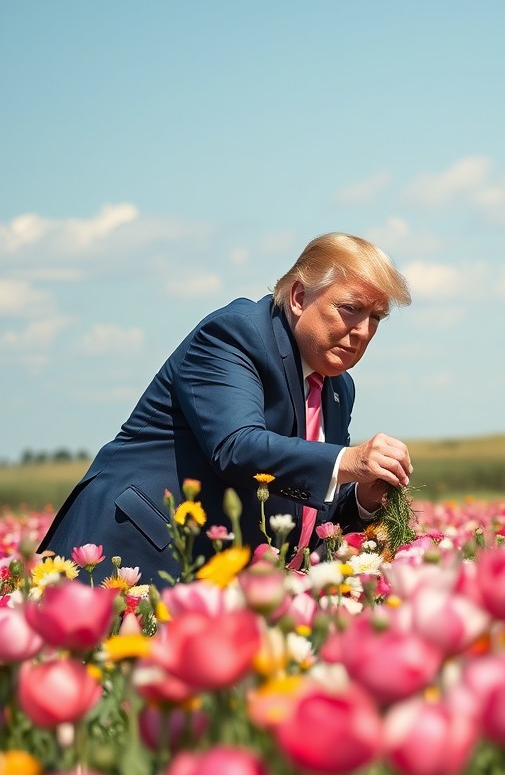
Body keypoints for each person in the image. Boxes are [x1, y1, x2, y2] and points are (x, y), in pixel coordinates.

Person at [39, 232, 414, 584]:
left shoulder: (337, 388)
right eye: (351, 309)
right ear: (299, 297)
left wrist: (364, 497)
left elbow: (306, 502)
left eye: (376, 318)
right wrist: (348, 461)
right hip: (129, 557)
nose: (363, 331)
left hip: (214, 581)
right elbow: (236, 446)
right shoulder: (237, 334)